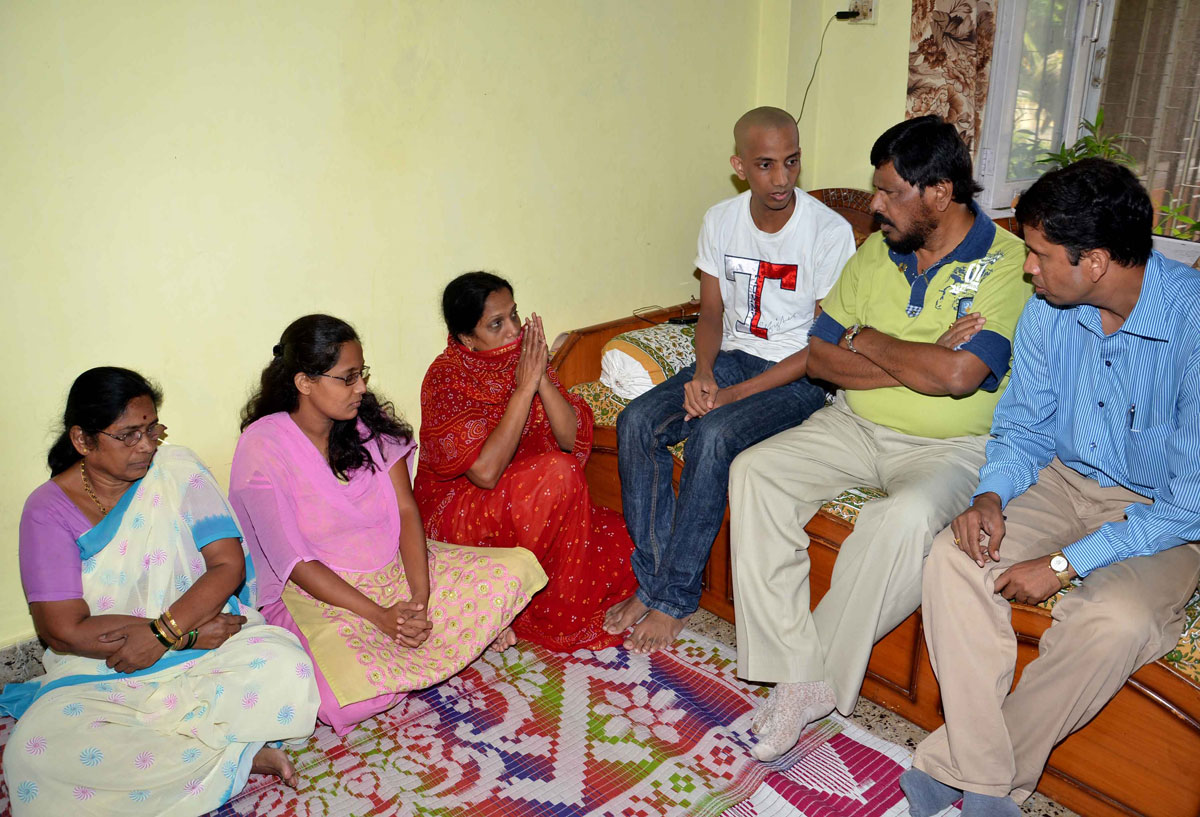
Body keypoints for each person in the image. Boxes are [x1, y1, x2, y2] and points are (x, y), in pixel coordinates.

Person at [729, 115, 1032, 761]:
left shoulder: (1008, 264)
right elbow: (817, 355)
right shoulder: (877, 251)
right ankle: (797, 669)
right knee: (755, 470)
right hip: (853, 422)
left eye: (891, 191)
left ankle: (807, 685)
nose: (875, 204)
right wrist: (913, 351)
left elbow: (958, 378)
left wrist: (866, 339)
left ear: (940, 193)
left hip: (951, 449)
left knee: (906, 517)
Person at [903, 160, 1200, 816]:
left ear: (1093, 261)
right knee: (954, 558)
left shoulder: (1193, 325)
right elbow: (1024, 427)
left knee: (1116, 620)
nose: (1028, 267)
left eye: (1038, 253)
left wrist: (1067, 564)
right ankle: (986, 787)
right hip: (1062, 482)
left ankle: (949, 767)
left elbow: (1190, 501)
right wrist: (991, 497)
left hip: (1163, 516)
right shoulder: (1048, 310)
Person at [0, 367, 319, 817]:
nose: (147, 445)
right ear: (82, 440)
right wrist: (176, 635)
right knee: (33, 753)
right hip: (107, 664)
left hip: (208, 643)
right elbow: (63, 631)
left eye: (151, 429)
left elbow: (227, 565)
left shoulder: (175, 471)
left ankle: (206, 752)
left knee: (288, 665)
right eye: (129, 435)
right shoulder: (47, 510)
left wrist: (169, 633)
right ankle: (236, 754)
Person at [606, 106, 856, 654]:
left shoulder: (828, 232)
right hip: (733, 358)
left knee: (713, 433)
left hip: (802, 376)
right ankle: (651, 581)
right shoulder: (721, 219)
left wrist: (730, 396)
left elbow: (823, 347)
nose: (782, 179)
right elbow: (712, 313)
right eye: (766, 165)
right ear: (739, 165)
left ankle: (674, 597)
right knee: (637, 422)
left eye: (791, 162)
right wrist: (702, 374)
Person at [229, 314, 546, 736]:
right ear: (305, 383)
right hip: (321, 594)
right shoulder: (263, 446)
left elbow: (407, 511)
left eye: (362, 374)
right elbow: (296, 562)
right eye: (348, 378)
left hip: (394, 572)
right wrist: (380, 617)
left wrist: (420, 597)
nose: (361, 388)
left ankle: (420, 644)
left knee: (516, 569)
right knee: (345, 702)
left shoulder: (367, 427)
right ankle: (441, 646)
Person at [414, 272, 638, 652]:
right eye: (496, 324)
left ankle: (514, 604)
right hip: (461, 512)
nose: (513, 331)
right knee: (558, 473)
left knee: (630, 541)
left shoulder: (528, 361)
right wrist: (523, 389)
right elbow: (484, 474)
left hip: (531, 503)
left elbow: (571, 438)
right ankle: (539, 611)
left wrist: (541, 380)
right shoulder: (446, 378)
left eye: (514, 316)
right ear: (467, 338)